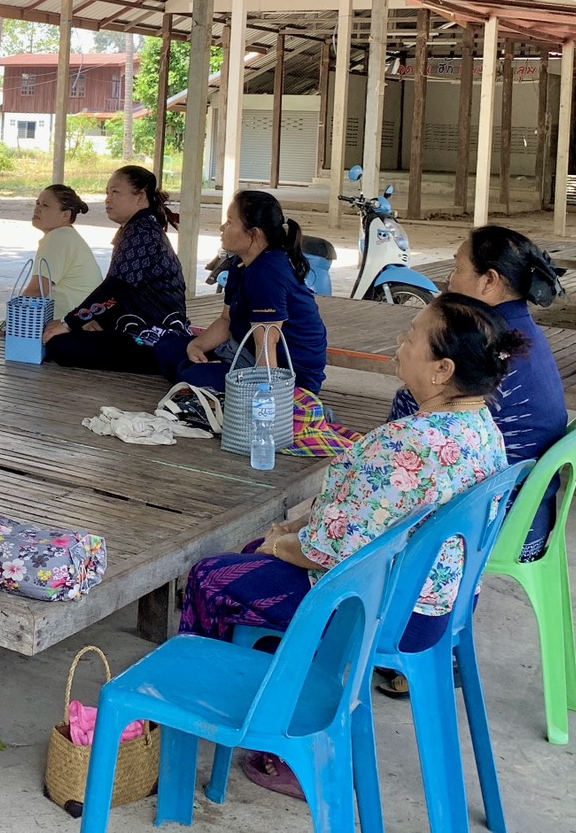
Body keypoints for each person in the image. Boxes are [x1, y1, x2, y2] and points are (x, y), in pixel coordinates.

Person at [176, 293, 521, 797]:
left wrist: (278, 545)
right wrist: (284, 541)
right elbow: (357, 526)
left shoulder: (408, 443)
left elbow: (324, 552)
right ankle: (281, 694)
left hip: (380, 610)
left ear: (443, 369)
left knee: (212, 577)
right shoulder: (479, 427)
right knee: (254, 552)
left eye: (412, 336)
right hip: (431, 599)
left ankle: (217, 720)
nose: (400, 342)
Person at [374, 226, 568, 698]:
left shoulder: (487, 355)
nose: (446, 281)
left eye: (457, 268)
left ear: (488, 282)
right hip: (526, 509)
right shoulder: (517, 335)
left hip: (494, 525)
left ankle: (397, 643)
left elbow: (407, 448)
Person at [153, 190, 327, 395]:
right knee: (166, 348)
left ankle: (226, 379)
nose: (221, 228)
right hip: (246, 351)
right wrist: (197, 346)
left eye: (229, 222)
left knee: (191, 377)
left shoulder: (266, 272)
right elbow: (226, 320)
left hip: (288, 373)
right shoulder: (240, 262)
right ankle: (216, 372)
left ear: (254, 233)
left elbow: (268, 342)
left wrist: (269, 397)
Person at [43, 165, 187, 372]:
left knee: (59, 345)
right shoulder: (139, 227)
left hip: (150, 336)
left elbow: (115, 287)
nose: (108, 199)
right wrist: (96, 319)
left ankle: (155, 359)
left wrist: (69, 322)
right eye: (107, 193)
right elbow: (123, 290)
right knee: (63, 338)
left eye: (116, 192)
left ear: (140, 197)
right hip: (136, 326)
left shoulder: (141, 232)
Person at [25, 184, 103, 321]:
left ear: (65, 215)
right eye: (37, 203)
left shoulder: (59, 238)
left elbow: (36, 291)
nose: (37, 208)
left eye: (45, 205)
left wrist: (7, 326)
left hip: (72, 328)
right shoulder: (64, 236)